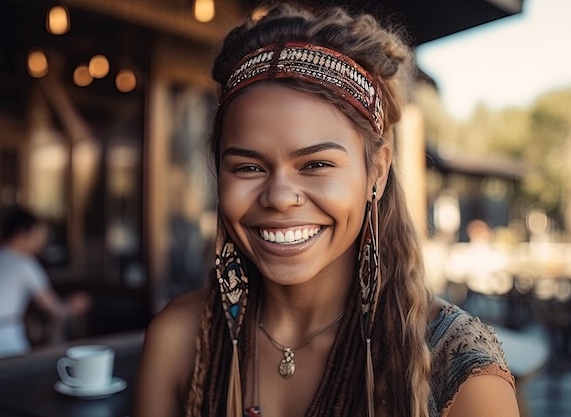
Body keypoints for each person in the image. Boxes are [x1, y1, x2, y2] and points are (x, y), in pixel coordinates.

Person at [135, 4, 519, 417]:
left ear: (377, 170)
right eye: (248, 167)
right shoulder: (179, 339)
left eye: (315, 164)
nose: (280, 197)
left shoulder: (458, 371)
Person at [0, 207, 91, 359]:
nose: (43, 241)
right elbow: (57, 311)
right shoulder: (24, 263)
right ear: (24, 233)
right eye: (40, 234)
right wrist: (75, 305)